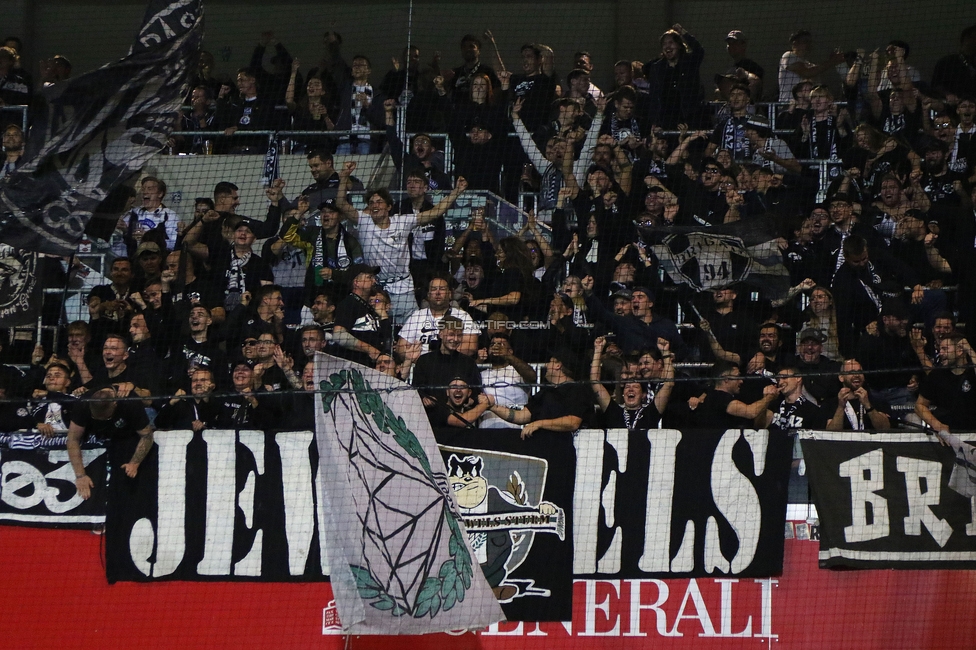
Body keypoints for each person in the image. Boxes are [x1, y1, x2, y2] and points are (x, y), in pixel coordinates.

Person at [335, 160, 469, 322]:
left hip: (403, 287)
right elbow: (341, 204)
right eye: (371, 203)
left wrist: (456, 191)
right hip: (376, 288)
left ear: (389, 207)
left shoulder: (402, 221)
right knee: (376, 327)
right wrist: (343, 178)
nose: (374, 205)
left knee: (410, 328)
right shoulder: (364, 221)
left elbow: (435, 212)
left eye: (379, 202)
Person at [67, 386, 155, 500]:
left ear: (115, 404)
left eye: (106, 417)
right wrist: (80, 475)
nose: (101, 420)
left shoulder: (130, 402)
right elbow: (72, 439)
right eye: (96, 417)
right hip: (96, 437)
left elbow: (147, 436)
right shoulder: (83, 403)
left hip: (127, 437)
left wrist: (134, 463)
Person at [487, 347, 591, 440]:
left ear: (558, 365)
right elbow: (520, 416)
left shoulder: (577, 390)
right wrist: (491, 405)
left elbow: (572, 423)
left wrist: (539, 424)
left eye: (550, 362)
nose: (546, 365)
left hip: (573, 446)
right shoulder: (545, 392)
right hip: (545, 447)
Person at [591, 335, 674, 430]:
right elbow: (595, 382)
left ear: (643, 394)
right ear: (623, 394)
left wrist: (665, 352)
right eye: (627, 387)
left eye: (635, 387)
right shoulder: (614, 411)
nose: (630, 389)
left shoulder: (651, 412)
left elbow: (669, 384)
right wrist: (598, 350)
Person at [397, 274, 479, 357]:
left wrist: (439, 357)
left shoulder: (462, 316)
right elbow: (401, 348)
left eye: (442, 289)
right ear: (428, 295)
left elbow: (470, 347)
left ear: (450, 294)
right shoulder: (417, 316)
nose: (438, 293)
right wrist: (423, 361)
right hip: (420, 365)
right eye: (434, 289)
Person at [410, 316, 482, 408]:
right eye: (451, 334)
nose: (455, 339)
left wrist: (472, 399)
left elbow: (477, 390)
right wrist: (424, 398)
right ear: (441, 334)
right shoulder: (425, 361)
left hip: (459, 414)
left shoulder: (468, 363)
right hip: (431, 414)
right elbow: (417, 389)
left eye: (459, 335)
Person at [643, 24, 706, 129]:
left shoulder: (689, 63)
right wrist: (654, 121)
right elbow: (654, 96)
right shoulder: (656, 68)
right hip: (665, 123)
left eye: (671, 42)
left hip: (688, 120)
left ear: (679, 45)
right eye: (664, 44)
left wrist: (683, 32)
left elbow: (699, 51)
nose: (667, 47)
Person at [688, 362, 779, 430]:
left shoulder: (712, 395)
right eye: (737, 377)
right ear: (726, 379)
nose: (741, 381)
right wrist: (769, 397)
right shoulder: (719, 398)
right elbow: (751, 412)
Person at [915, 334, 976, 433]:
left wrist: (969, 350)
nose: (941, 353)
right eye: (940, 349)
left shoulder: (972, 371)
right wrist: (936, 424)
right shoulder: (937, 375)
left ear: (960, 350)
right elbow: (919, 406)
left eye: (945, 349)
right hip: (946, 434)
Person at [479, 333, 535, 430]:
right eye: (492, 344)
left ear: (510, 351)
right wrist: (478, 361)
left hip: (516, 426)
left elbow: (532, 377)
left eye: (501, 345)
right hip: (487, 426)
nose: (496, 347)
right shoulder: (480, 375)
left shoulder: (519, 371)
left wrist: (508, 356)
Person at [777, 30, 845, 103]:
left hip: (806, 106)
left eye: (810, 42)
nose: (809, 45)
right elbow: (807, 73)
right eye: (805, 41)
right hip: (789, 105)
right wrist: (832, 61)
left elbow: (815, 74)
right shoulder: (789, 56)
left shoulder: (808, 64)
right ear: (795, 44)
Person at [825, 359, 892, 430]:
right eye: (851, 372)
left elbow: (885, 428)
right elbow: (831, 433)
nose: (857, 375)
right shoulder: (830, 404)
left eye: (860, 372)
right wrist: (841, 407)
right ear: (841, 377)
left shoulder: (877, 401)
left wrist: (868, 405)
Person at [757, 367, 828, 434]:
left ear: (798, 378)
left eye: (784, 377)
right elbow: (759, 427)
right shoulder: (774, 406)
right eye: (778, 380)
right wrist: (766, 398)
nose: (780, 382)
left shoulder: (813, 410)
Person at [154, 367, 219, 431]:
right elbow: (159, 424)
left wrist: (207, 395)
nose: (198, 383)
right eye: (195, 380)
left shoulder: (219, 402)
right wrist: (171, 402)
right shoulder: (181, 403)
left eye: (203, 380)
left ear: (212, 385)